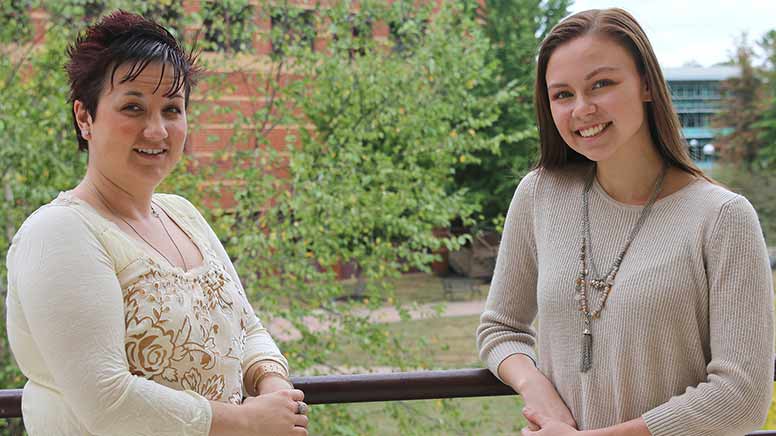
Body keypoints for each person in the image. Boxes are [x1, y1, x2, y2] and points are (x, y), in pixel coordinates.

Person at [5, 11, 309, 436]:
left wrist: (273, 387)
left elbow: (248, 327)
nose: (156, 130)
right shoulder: (59, 233)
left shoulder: (183, 215)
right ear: (84, 117)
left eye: (172, 109)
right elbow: (107, 401)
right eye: (133, 107)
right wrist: (245, 421)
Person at [476, 8, 773, 436]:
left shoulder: (723, 218)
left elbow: (741, 397)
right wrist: (536, 388)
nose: (583, 108)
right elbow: (499, 328)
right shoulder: (539, 194)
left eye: (602, 84)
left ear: (647, 85)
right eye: (562, 94)